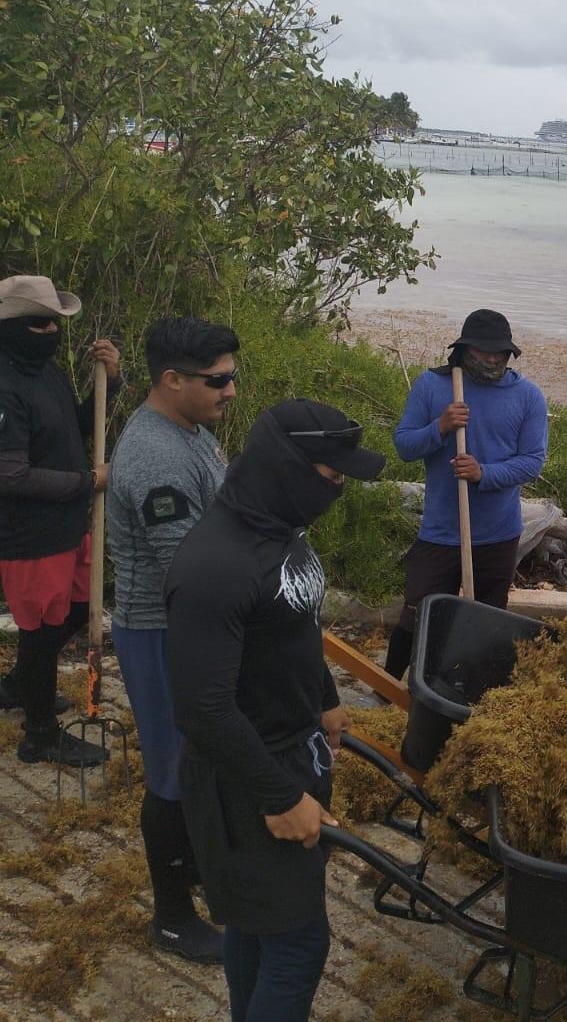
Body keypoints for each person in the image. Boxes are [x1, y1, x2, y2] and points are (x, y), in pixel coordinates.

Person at [166, 399, 384, 1021]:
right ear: (286, 467)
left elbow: (295, 621)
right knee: (298, 942)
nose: (339, 485)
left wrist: (325, 697)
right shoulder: (215, 568)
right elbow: (203, 711)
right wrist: (280, 798)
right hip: (245, 781)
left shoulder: (278, 525)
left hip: (295, 750)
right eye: (331, 473)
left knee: (258, 928)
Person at [107, 317, 240, 963]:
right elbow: (183, 563)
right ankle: (170, 916)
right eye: (219, 379)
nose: (231, 390)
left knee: (196, 761)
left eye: (231, 376)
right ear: (172, 380)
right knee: (170, 772)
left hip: (190, 625)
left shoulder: (191, 432)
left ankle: (195, 867)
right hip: (161, 632)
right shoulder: (154, 454)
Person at [384, 309, 547, 679]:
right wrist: (440, 427)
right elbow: (404, 446)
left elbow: (532, 463)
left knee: (488, 620)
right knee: (417, 614)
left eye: (499, 353)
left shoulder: (528, 397)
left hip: (498, 533)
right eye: (483, 352)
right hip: (441, 530)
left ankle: (473, 692)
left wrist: (482, 473)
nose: (491, 359)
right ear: (463, 349)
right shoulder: (432, 385)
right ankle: (385, 690)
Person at [0, 274, 121, 766]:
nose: (50, 331)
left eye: (54, 322)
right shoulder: (4, 387)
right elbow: (10, 476)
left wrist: (109, 381)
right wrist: (87, 481)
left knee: (73, 611)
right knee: (40, 630)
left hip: (68, 525)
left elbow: (74, 426)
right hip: (29, 537)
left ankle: (18, 684)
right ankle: (40, 736)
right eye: (38, 323)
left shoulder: (42, 370)